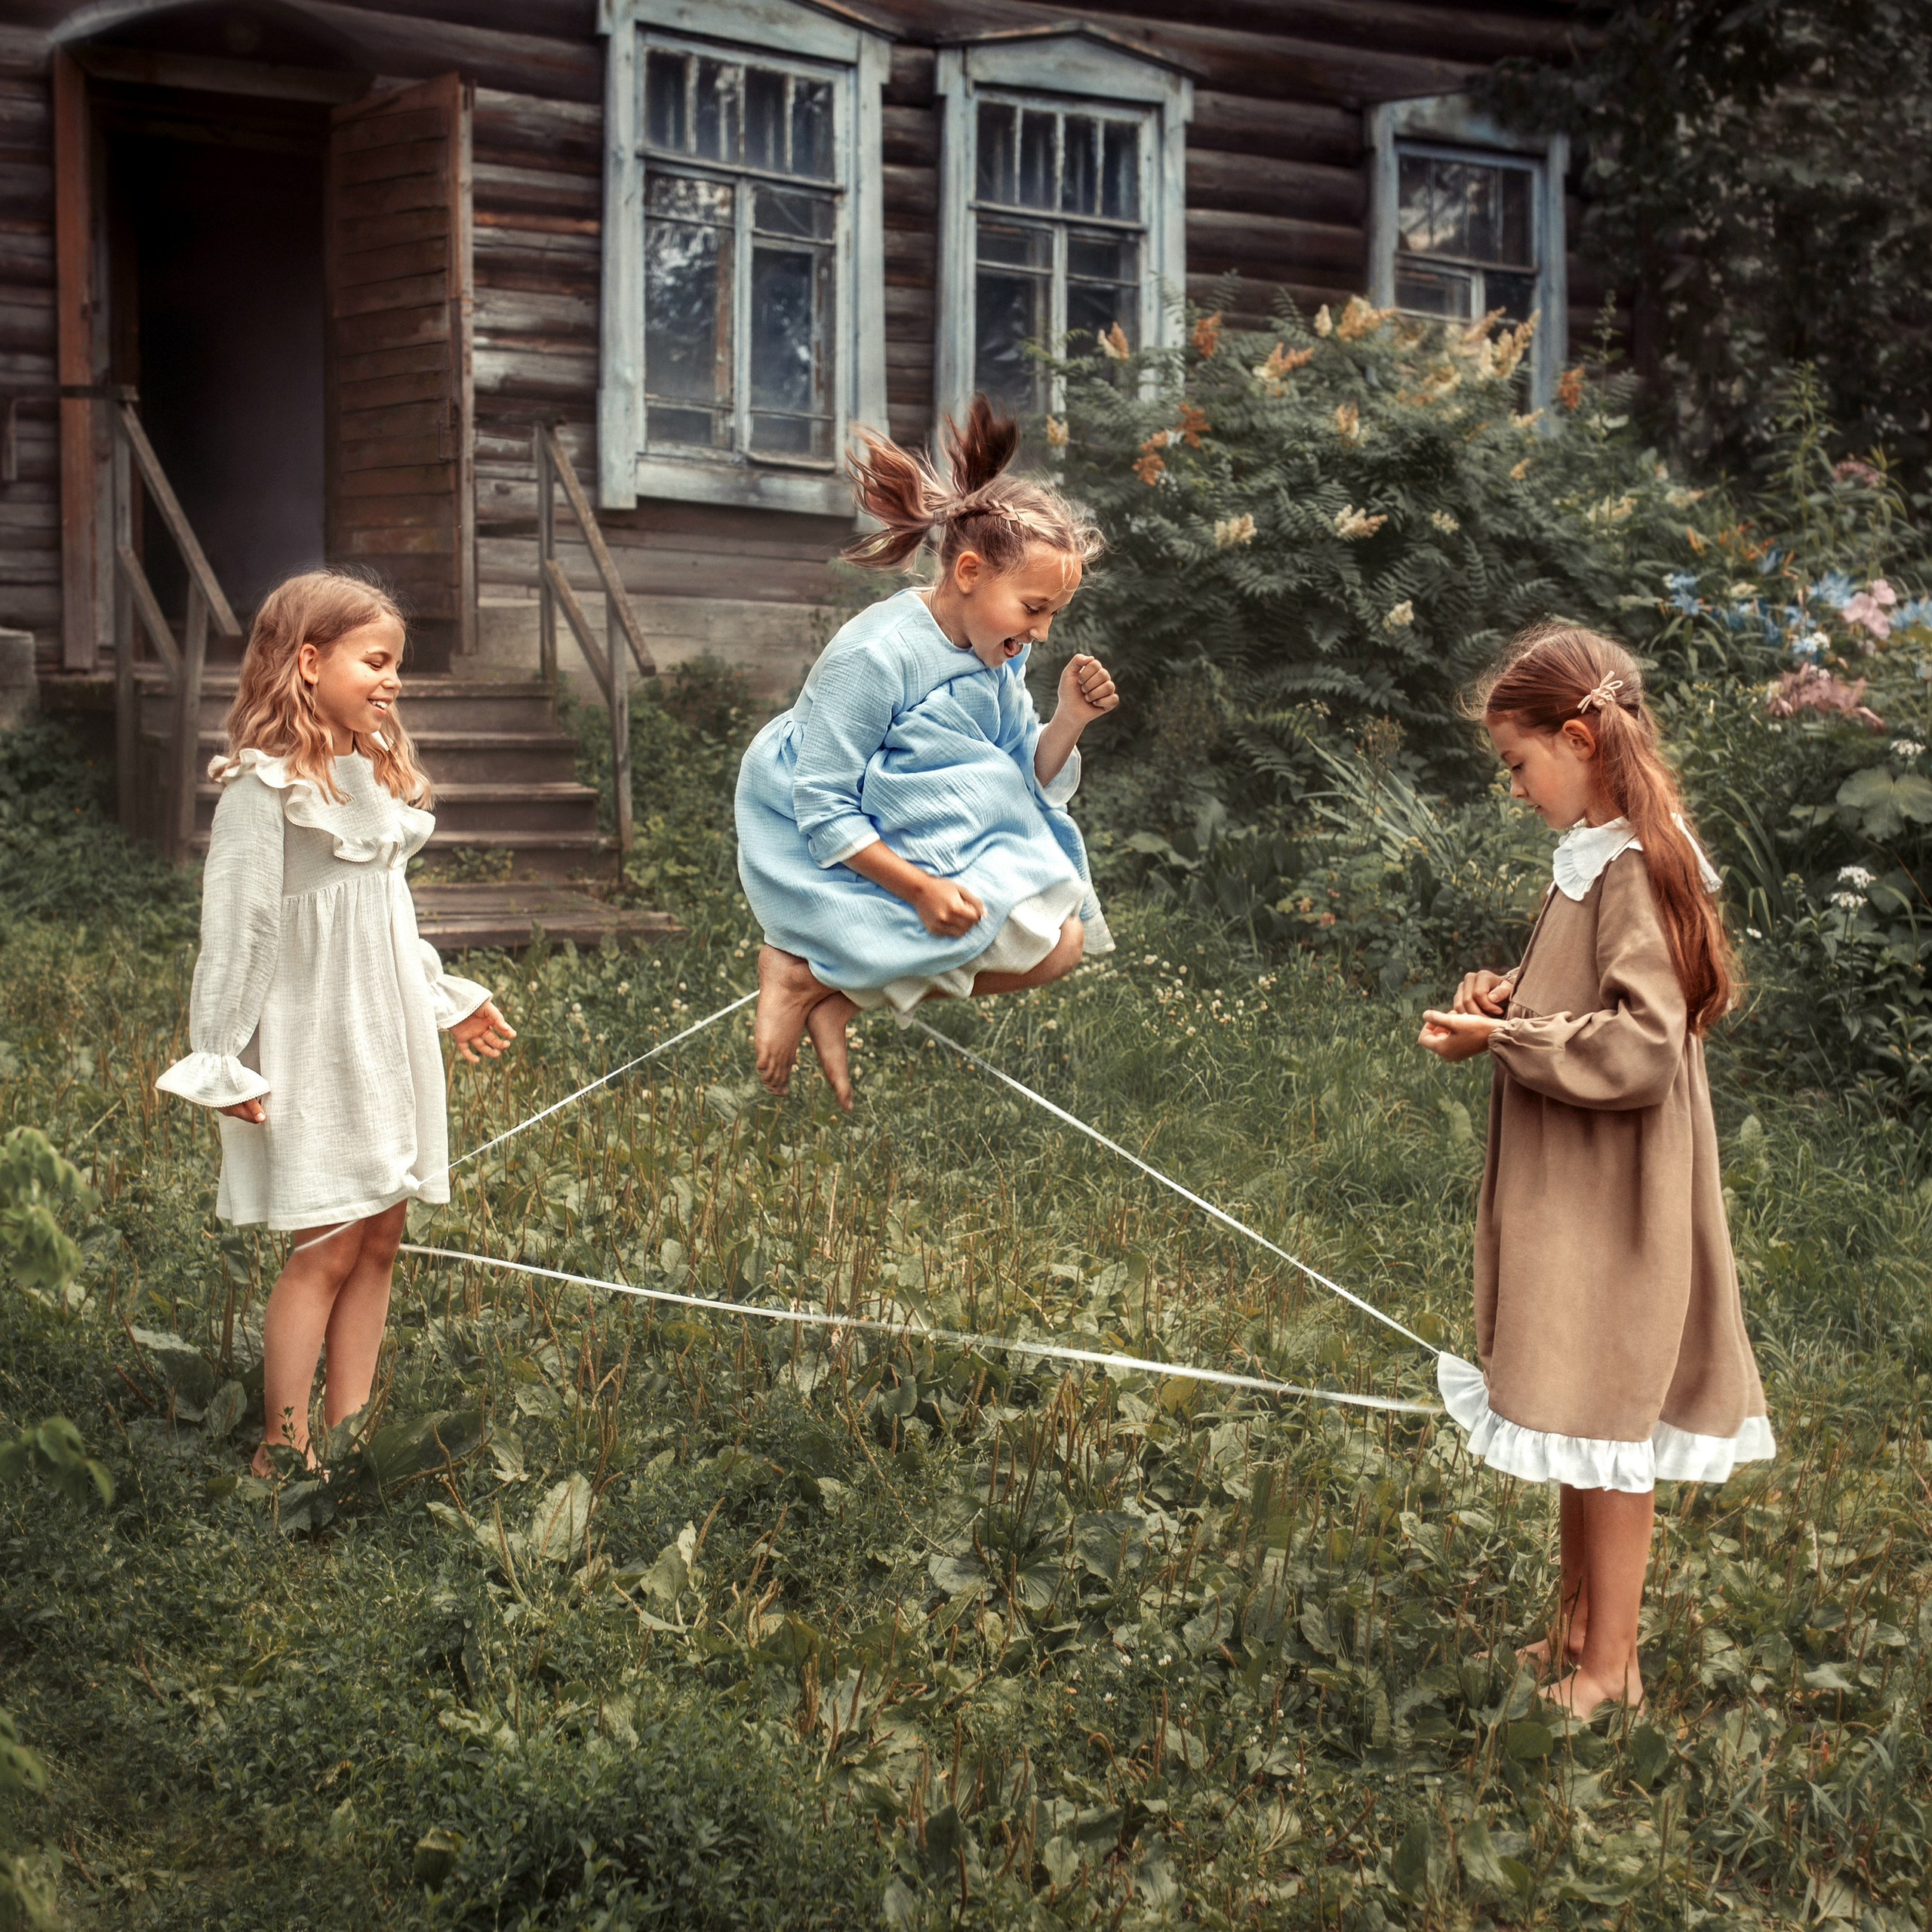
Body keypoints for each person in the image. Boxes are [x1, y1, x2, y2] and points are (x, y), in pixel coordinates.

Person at [1417, 623, 1774, 1718]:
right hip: (1577, 1182)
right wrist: (1502, 997)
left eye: (1520, 764)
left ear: (1579, 739)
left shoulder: (1634, 866)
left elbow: (1641, 1044)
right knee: (1576, 1401)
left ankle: (1613, 1667)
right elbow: (1573, 995)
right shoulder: (1592, 858)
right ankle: (1575, 1629)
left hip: (1620, 1195)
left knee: (1611, 1421)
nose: (1515, 788)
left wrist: (1508, 1044)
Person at [155, 570, 517, 1476]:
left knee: (381, 1233)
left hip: (381, 1033)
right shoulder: (262, 791)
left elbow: (386, 917)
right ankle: (284, 1444)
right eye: (377, 660)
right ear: (308, 662)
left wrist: (446, 999)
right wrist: (222, 1057)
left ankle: (351, 1430)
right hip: (314, 1039)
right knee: (325, 1238)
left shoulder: (369, 780)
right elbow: (237, 929)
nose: (392, 680)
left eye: (398, 664)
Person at [737, 396, 1119, 1109]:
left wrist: (1069, 719)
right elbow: (820, 801)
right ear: (970, 573)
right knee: (1035, 928)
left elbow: (1020, 770)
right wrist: (919, 888)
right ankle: (798, 972)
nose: (1041, 634)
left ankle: (830, 991)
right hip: (838, 840)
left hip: (935, 823)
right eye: (1033, 609)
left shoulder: (995, 651)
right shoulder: (876, 655)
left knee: (1062, 945)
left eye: (1054, 617)